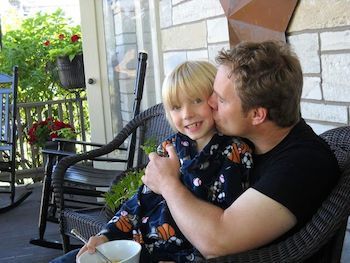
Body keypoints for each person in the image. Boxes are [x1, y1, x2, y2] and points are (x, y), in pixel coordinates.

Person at [142, 41, 340, 260]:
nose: (210, 102)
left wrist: (167, 184)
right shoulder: (241, 144)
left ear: (257, 115)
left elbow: (217, 242)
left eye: (221, 99)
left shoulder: (302, 165)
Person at [50, 61, 253, 263]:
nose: (187, 114)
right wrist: (106, 236)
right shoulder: (169, 148)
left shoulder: (234, 152)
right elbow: (138, 201)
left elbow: (226, 231)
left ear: (215, 100)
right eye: (176, 107)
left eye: (196, 100)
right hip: (135, 248)